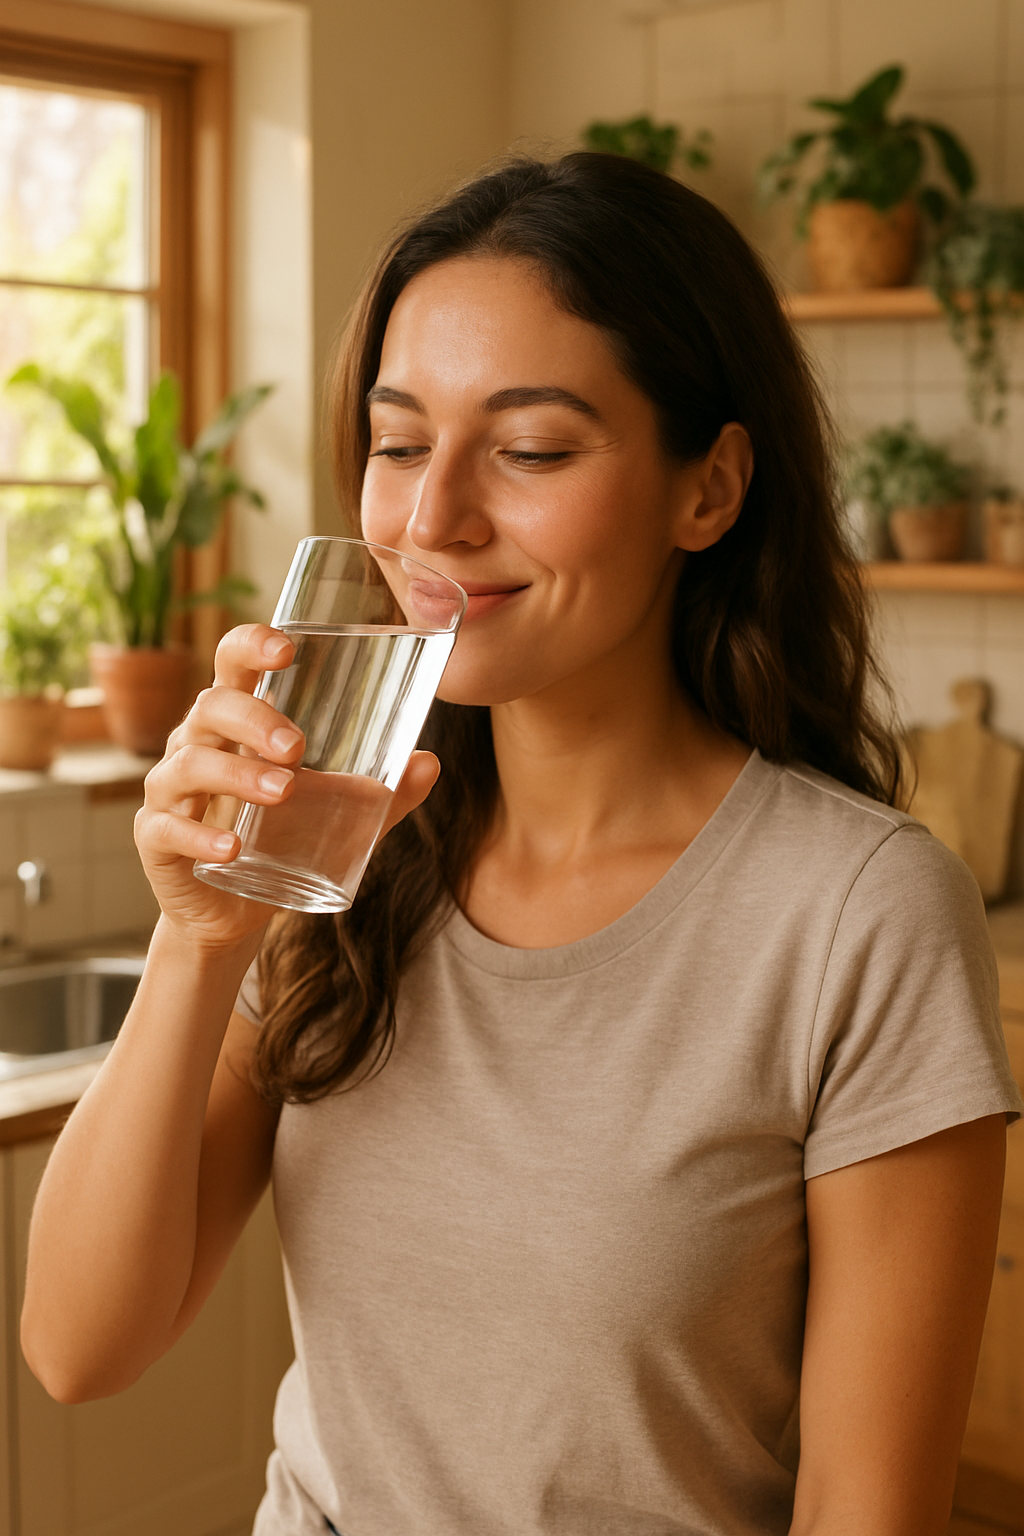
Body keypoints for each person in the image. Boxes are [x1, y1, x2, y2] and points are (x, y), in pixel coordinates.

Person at [21, 154, 1022, 1536]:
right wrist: (199, 942)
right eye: (397, 441)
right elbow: (80, 1347)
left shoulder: (856, 912)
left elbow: (869, 1510)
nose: (433, 520)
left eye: (533, 449)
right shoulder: (335, 849)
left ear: (710, 491)